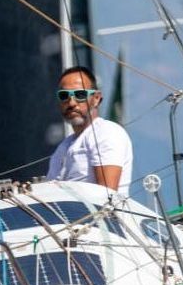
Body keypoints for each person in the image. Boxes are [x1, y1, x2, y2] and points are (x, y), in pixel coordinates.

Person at [46, 66, 133, 194]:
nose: (71, 103)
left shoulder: (106, 132)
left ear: (96, 98)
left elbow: (106, 197)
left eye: (80, 94)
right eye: (64, 96)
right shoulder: (63, 147)